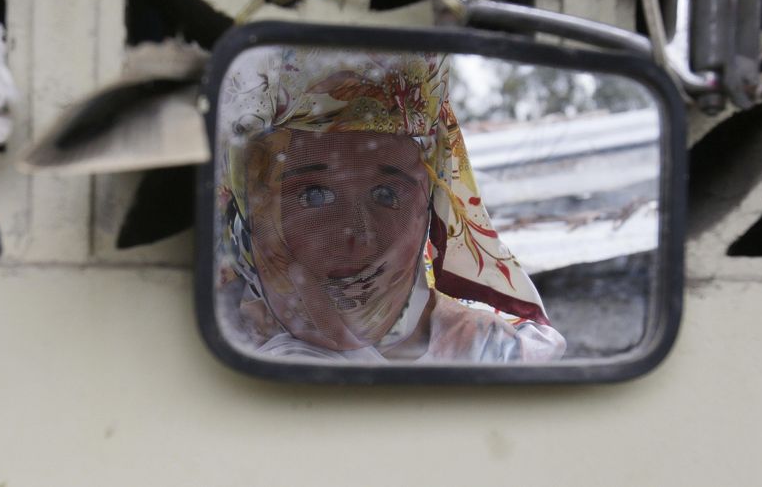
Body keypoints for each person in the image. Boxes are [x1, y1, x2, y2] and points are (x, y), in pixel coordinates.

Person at [214, 45, 565, 363]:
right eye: (315, 196)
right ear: (253, 210)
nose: (359, 235)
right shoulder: (206, 353)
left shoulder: (492, 355)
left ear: (426, 206)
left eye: (386, 195)